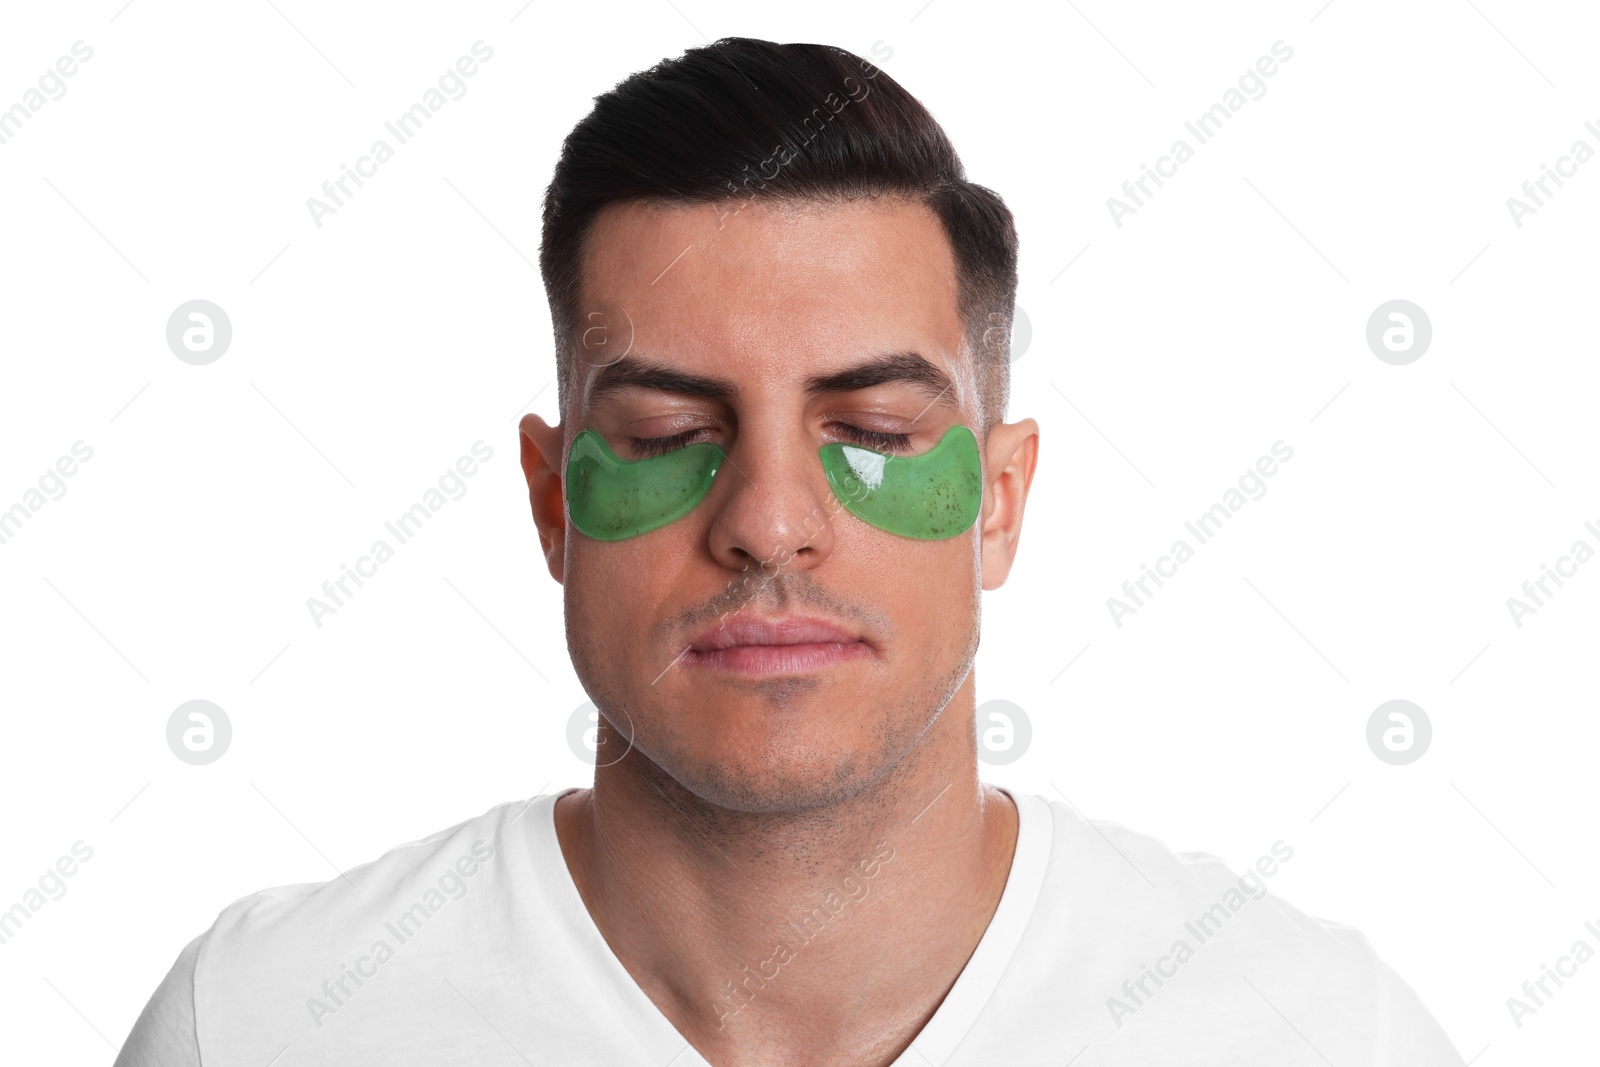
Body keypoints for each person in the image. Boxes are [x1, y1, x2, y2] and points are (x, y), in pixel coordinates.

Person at [114, 37, 1463, 1066]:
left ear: (999, 501)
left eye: (870, 425)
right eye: (663, 430)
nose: (767, 519)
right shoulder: (260, 1028)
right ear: (549, 499)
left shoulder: (1316, 1034)